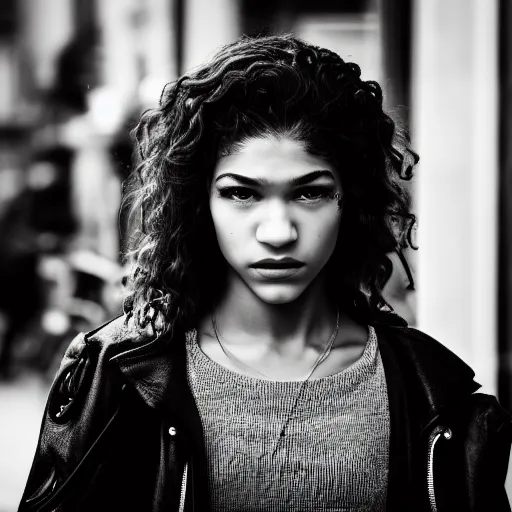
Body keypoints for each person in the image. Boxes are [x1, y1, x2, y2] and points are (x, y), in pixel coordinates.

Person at [19, 34, 511, 512]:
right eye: (241, 193)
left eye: (310, 192)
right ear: (199, 204)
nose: (278, 232)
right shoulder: (114, 380)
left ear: (351, 203)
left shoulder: (437, 398)